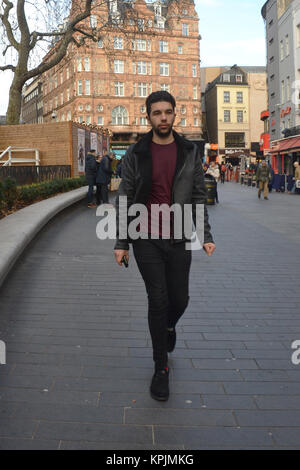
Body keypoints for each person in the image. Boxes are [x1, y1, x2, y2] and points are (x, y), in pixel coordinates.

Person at [114, 91, 216, 402]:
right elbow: (125, 196)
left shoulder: (188, 151)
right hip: (145, 236)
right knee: (157, 299)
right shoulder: (136, 152)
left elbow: (199, 195)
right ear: (148, 117)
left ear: (175, 115)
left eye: (167, 112)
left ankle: (169, 327)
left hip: (179, 236)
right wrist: (122, 241)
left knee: (180, 299)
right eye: (156, 113)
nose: (162, 118)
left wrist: (206, 235)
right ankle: (161, 368)